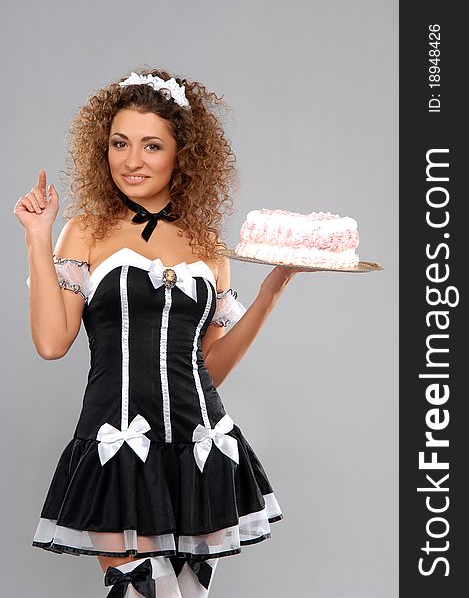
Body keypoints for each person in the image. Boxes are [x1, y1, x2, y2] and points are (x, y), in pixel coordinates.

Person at [14, 68, 309, 598]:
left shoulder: (207, 245)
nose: (132, 161)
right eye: (119, 143)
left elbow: (210, 368)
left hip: (200, 446)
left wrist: (271, 293)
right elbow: (52, 343)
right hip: (118, 443)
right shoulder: (86, 230)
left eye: (151, 146)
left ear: (182, 154)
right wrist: (38, 237)